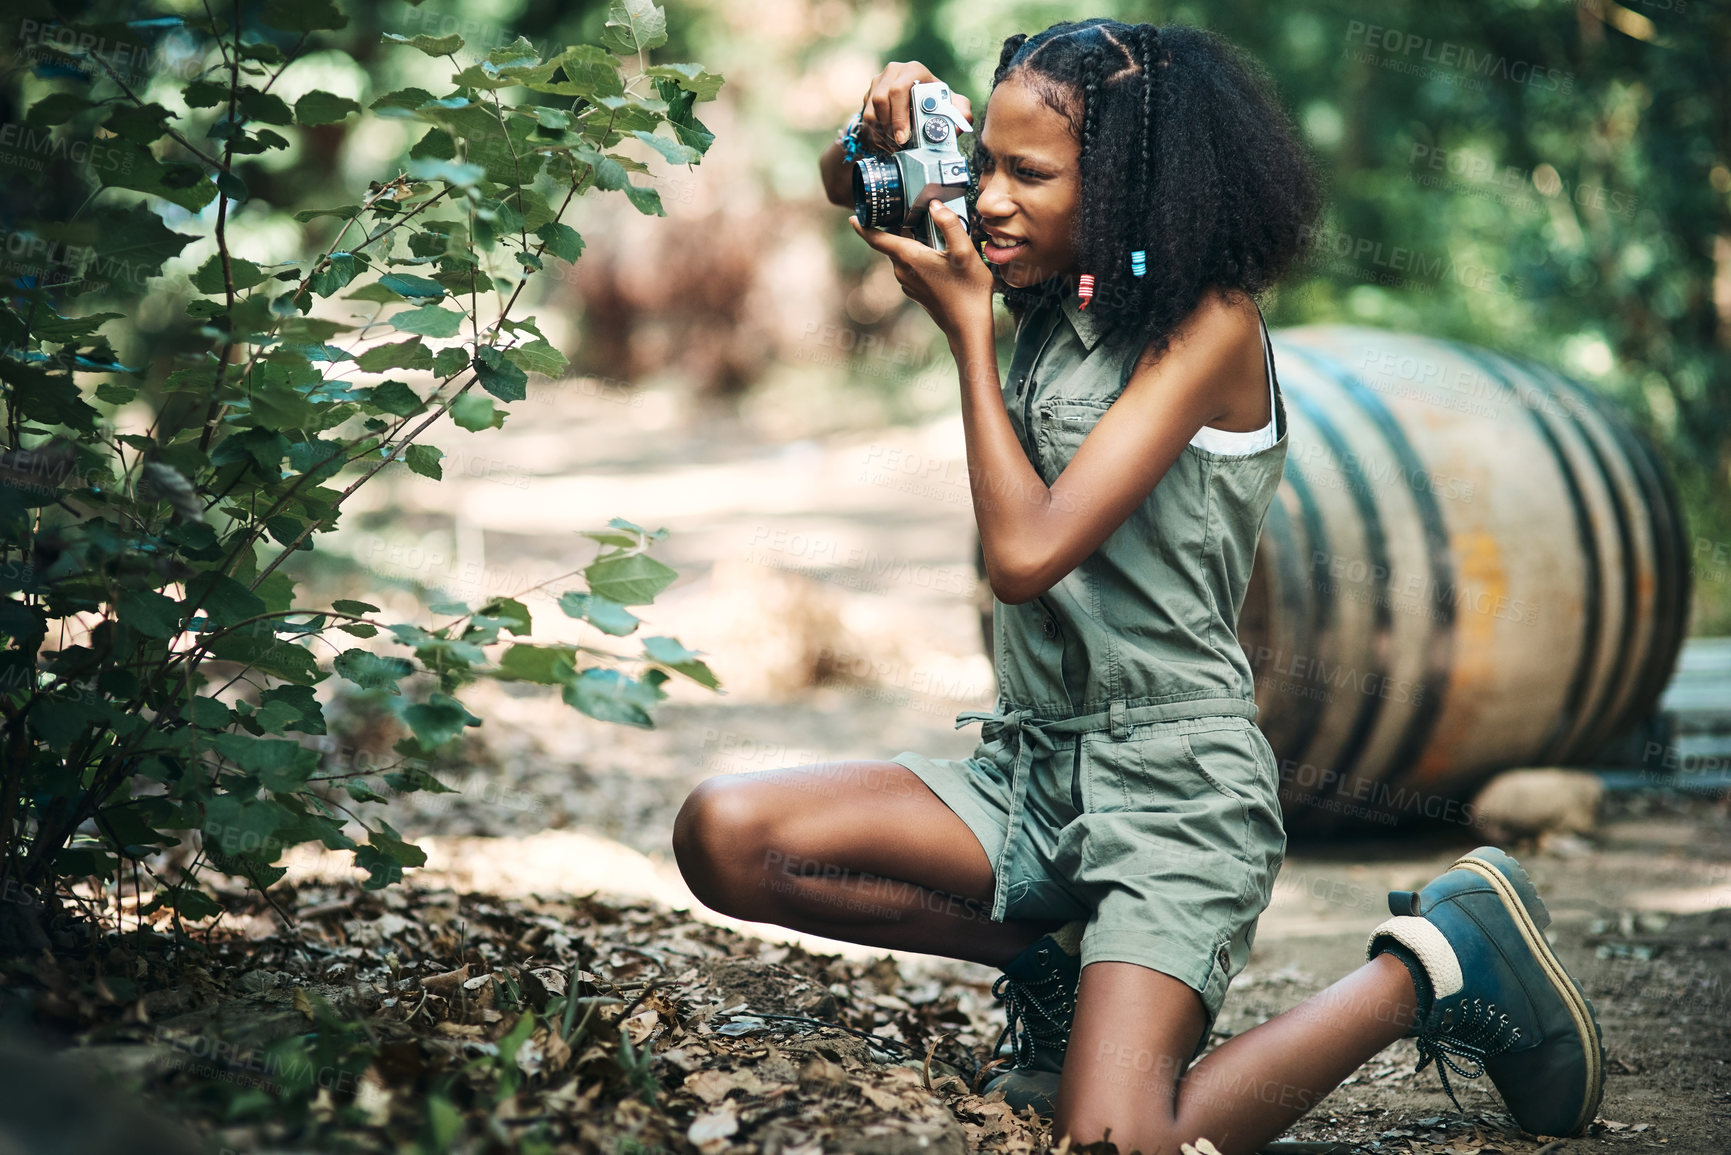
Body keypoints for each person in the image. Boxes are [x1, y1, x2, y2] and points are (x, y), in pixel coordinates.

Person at [673, 18, 1604, 1154]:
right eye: (983, 169)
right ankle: (1046, 958)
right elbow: (849, 189)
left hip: (1176, 794)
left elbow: (1024, 558)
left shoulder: (1206, 327)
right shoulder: (1048, 279)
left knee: (1115, 1147)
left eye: (1028, 174)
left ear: (1122, 187)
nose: (990, 201)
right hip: (1031, 767)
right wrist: (870, 127)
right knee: (725, 833)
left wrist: (966, 338)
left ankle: (1433, 966)